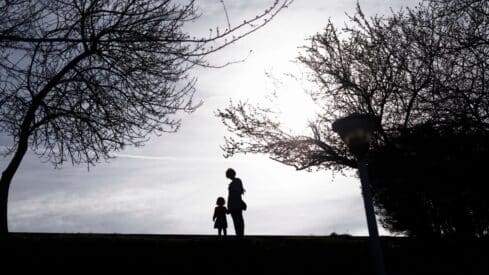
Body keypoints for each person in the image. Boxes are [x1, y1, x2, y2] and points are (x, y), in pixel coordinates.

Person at [225, 168, 246, 236]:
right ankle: (239, 234)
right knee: (237, 220)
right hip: (233, 203)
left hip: (235, 203)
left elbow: (237, 193)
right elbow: (232, 195)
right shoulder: (234, 182)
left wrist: (241, 202)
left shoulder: (237, 181)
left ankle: (240, 234)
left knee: (238, 219)